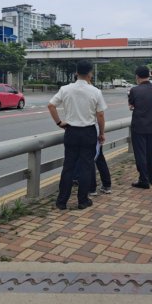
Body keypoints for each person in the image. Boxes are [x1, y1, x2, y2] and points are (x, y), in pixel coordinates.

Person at [48, 60, 107, 210]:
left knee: (68, 166)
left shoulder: (65, 89)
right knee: (86, 167)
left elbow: (51, 105)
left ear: (76, 73)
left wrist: (59, 123)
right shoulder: (95, 91)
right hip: (88, 132)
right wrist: (101, 134)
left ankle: (62, 202)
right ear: (90, 74)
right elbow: (100, 115)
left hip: (71, 131)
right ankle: (82, 200)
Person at [128, 65, 152, 188]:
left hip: (139, 125)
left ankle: (143, 180)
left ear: (137, 76)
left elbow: (131, 105)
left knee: (141, 153)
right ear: (149, 75)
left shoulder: (134, 90)